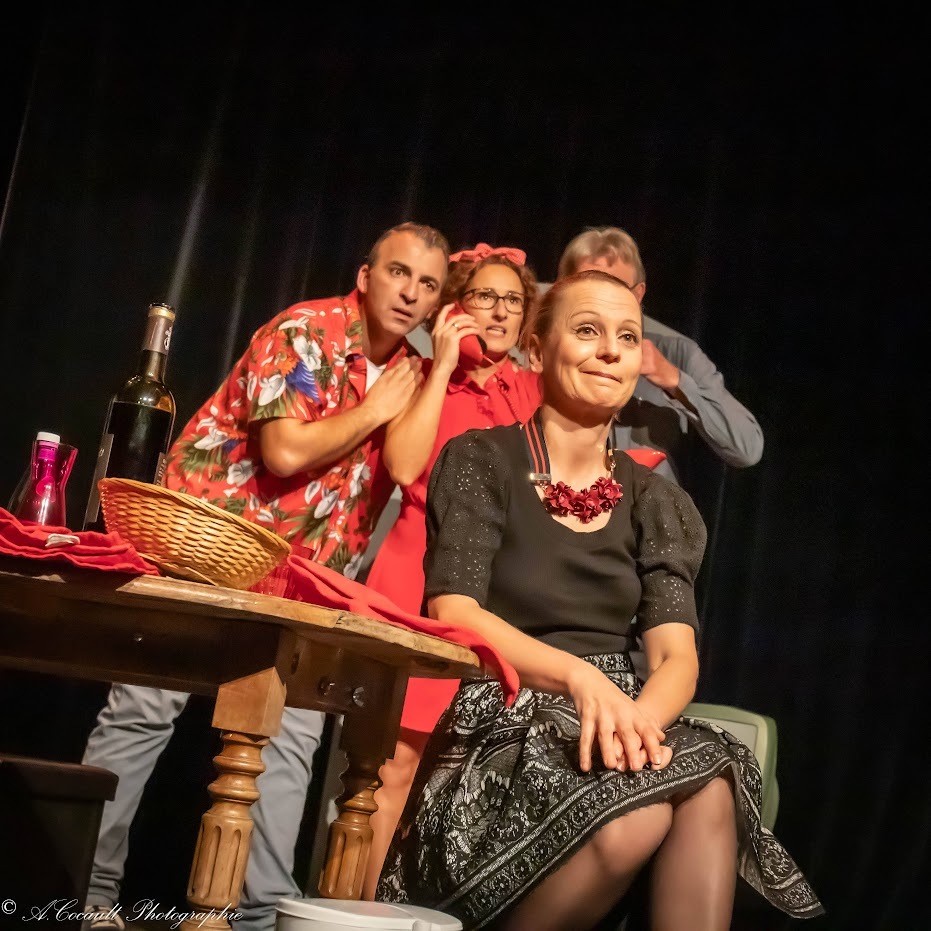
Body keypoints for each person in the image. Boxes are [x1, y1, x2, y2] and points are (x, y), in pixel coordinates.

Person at [376, 271, 823, 929]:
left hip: (620, 717)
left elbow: (674, 656)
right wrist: (579, 679)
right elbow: (455, 613)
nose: (611, 350)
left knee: (708, 785)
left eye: (627, 337)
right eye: (587, 331)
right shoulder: (481, 460)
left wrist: (635, 726)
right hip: (505, 714)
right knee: (639, 811)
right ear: (536, 348)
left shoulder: (658, 501)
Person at [79, 222, 451, 931]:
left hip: (301, 582)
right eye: (398, 272)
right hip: (210, 551)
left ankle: (256, 917)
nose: (410, 292)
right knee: (144, 710)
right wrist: (372, 410)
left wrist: (435, 370)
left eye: (427, 283)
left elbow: (405, 469)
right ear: (366, 275)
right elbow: (284, 451)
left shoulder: (409, 369)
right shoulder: (306, 332)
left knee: (291, 738)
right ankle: (84, 893)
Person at [360, 242, 542, 899]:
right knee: (392, 769)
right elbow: (404, 467)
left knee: (467, 780)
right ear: (456, 307)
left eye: (512, 300)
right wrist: (441, 365)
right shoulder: (420, 374)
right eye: (484, 296)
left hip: (498, 596)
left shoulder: (533, 390)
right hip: (414, 583)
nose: (499, 310)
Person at [556, 225, 764, 489]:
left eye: (616, 289)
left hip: (650, 513)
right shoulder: (543, 352)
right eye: (587, 288)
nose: (602, 302)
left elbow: (747, 448)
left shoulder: (677, 353)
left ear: (638, 293)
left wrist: (674, 380)